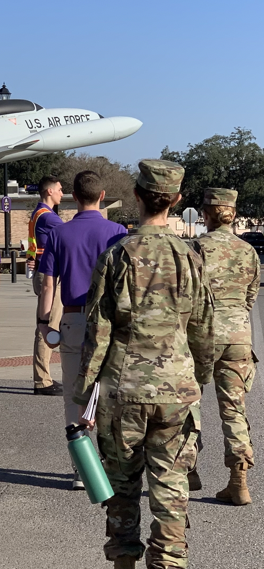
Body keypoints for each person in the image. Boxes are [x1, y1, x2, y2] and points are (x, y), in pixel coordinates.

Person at [74, 160, 214, 569]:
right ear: (176, 200)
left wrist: (87, 394)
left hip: (123, 389)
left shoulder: (116, 255)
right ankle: (169, 561)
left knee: (122, 488)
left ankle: (123, 562)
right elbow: (204, 330)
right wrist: (198, 381)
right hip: (176, 391)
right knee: (171, 489)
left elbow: (97, 330)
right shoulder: (190, 257)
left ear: (136, 196)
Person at [37, 171, 127, 489]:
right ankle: (108, 460)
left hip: (74, 319)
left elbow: (48, 282)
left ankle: (81, 467)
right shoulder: (118, 233)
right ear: (102, 196)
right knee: (108, 394)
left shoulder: (59, 235)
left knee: (74, 394)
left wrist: (44, 320)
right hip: (109, 321)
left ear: (74, 196)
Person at [193, 188, 259, 505]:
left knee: (189, 403)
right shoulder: (248, 251)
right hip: (238, 336)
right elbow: (250, 298)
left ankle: (189, 470)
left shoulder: (196, 248)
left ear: (206, 214)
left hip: (202, 333)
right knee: (234, 411)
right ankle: (239, 481)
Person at [26, 176, 64, 396]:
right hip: (48, 275)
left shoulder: (41, 214)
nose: (61, 192)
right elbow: (69, 233)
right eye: (59, 189)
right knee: (46, 325)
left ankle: (44, 376)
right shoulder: (48, 218)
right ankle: (42, 380)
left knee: (48, 323)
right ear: (49, 191)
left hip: (43, 271)